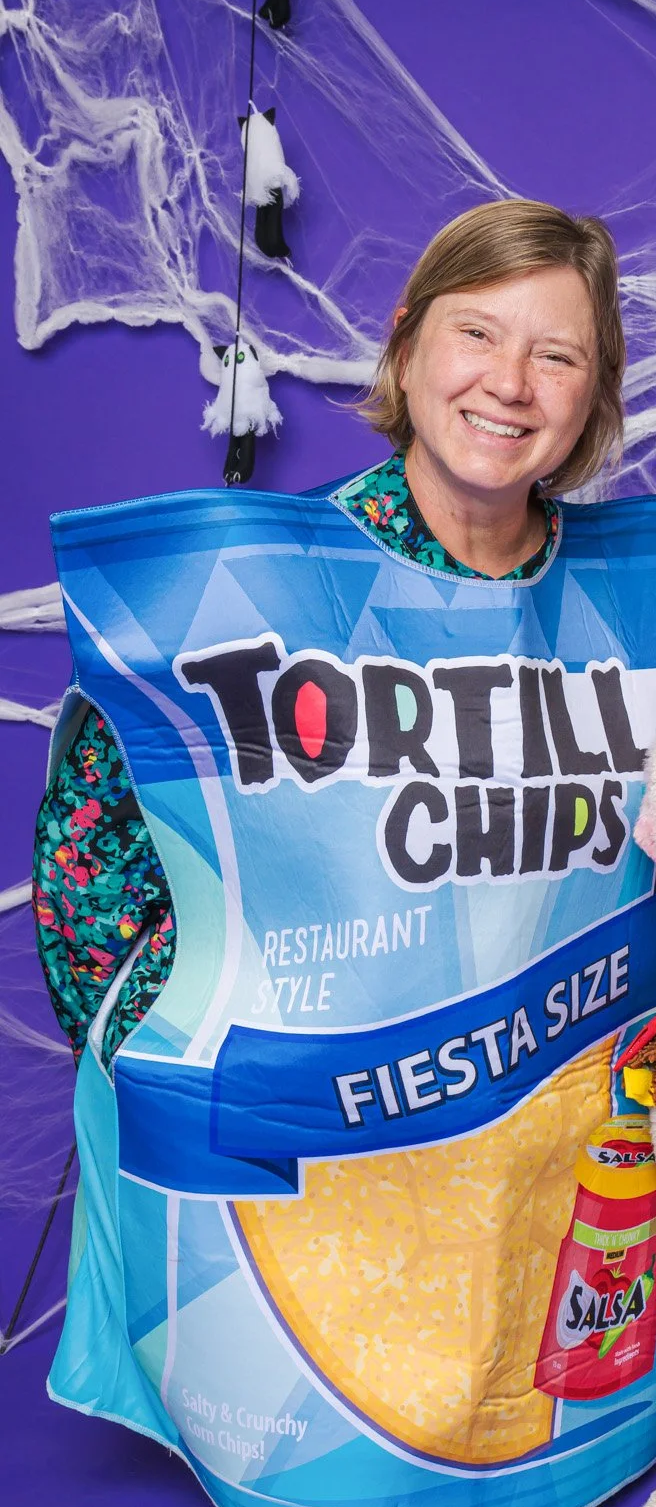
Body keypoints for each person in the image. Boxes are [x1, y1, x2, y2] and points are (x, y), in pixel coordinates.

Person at [35, 197, 622, 1060]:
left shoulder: (629, 616)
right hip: (284, 1154)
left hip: (547, 1142)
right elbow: (91, 905)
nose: (511, 382)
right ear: (406, 343)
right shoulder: (243, 585)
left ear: (595, 391)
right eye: (477, 333)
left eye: (557, 355)